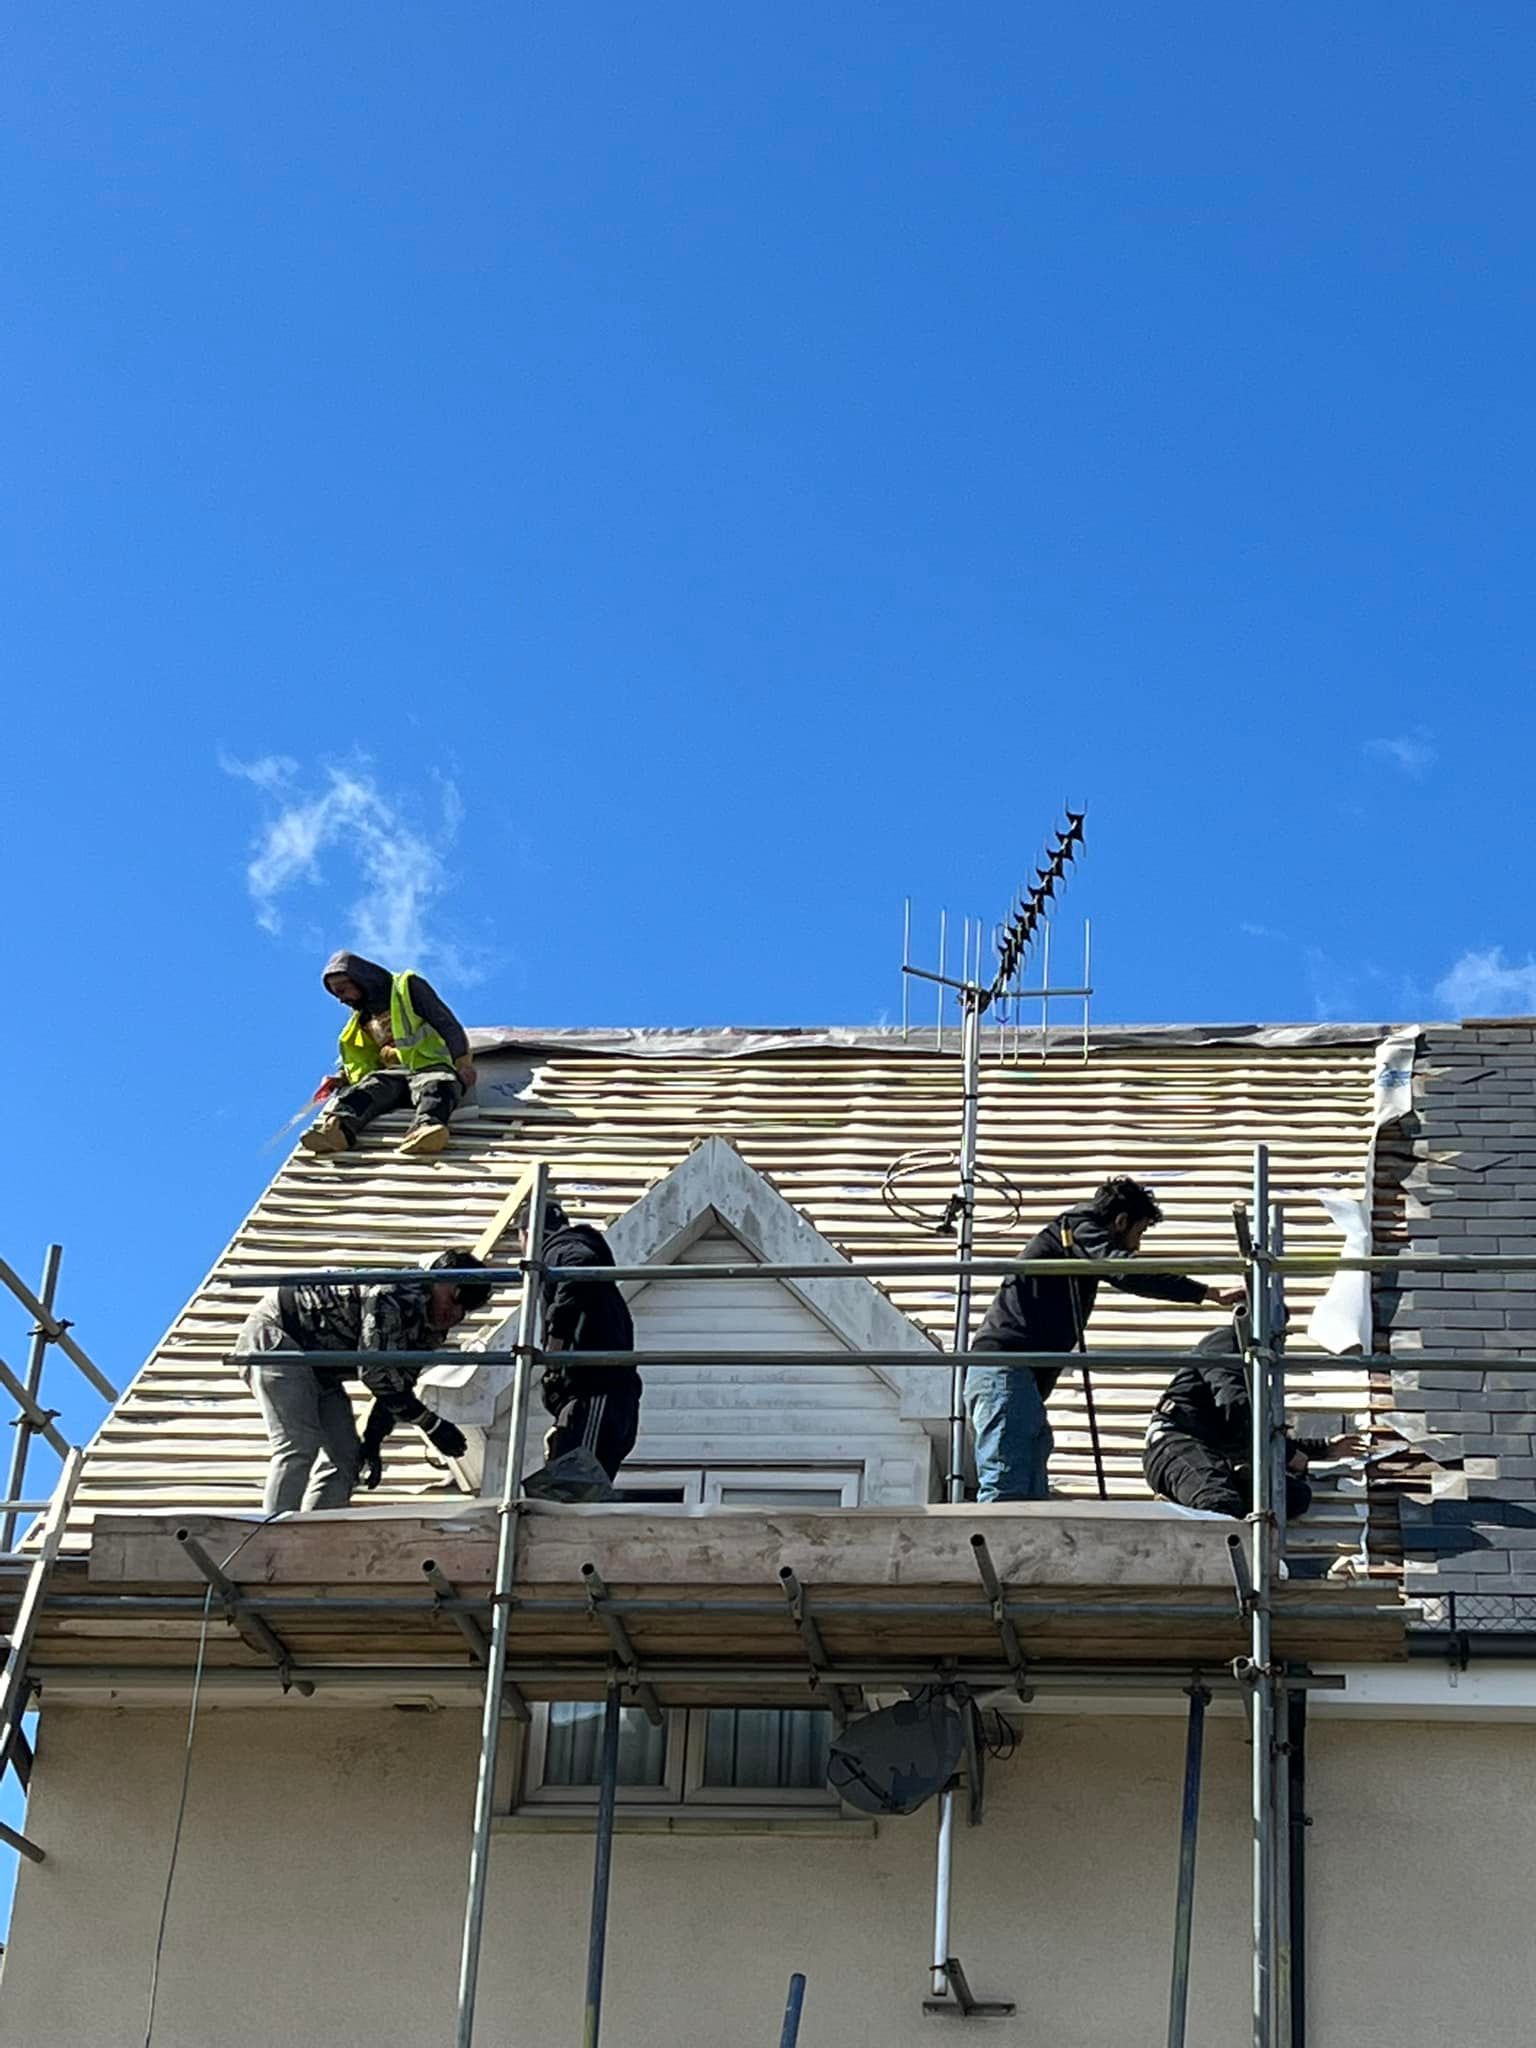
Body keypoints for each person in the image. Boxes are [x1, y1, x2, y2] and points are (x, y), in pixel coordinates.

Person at [966, 1176, 1245, 1503]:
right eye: (1139, 1233)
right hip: (1005, 1369)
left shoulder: (1073, 1240)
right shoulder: (1078, 1229)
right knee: (1008, 1484)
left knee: (1029, 1488)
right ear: (1120, 1221)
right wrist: (1207, 1293)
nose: (1137, 1246)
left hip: (1015, 1375)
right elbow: (1126, 1271)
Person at [234, 1249, 493, 1513]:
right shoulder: (392, 1293)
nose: (455, 1312)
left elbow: (398, 1385)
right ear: (438, 1279)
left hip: (320, 1365)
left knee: (346, 1458)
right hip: (280, 1335)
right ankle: (271, 1530)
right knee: (299, 1445)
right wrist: (432, 1424)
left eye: (467, 1307)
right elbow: (375, 1371)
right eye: (456, 1297)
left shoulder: (430, 1329)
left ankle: (311, 1530)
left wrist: (372, 1440)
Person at [1144, 1316, 1366, 1521]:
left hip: (1214, 1456)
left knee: (1293, 1497)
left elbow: (1257, 1431)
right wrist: (1290, 1454)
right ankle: (1186, 1517)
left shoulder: (1254, 1371)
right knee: (1218, 1502)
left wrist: (1323, 1448)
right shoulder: (1225, 1342)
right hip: (1176, 1444)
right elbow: (1235, 1405)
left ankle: (1187, 1510)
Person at [300, 951, 478, 1159]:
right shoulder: (362, 1018)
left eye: (342, 990)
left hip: (430, 1065)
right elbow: (363, 1057)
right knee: (367, 1090)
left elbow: (446, 1023)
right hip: (394, 1075)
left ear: (360, 980)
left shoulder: (406, 988)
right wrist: (341, 1077)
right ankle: (336, 1132)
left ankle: (426, 1128)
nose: (341, 999)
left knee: (437, 1085)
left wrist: (463, 1063)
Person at [523, 1199, 639, 1501]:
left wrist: (556, 1337)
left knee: (572, 1495)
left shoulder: (558, 1248)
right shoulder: (578, 1256)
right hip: (599, 1395)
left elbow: (580, 1264)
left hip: (593, 1393)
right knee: (574, 1495)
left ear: (527, 1235)